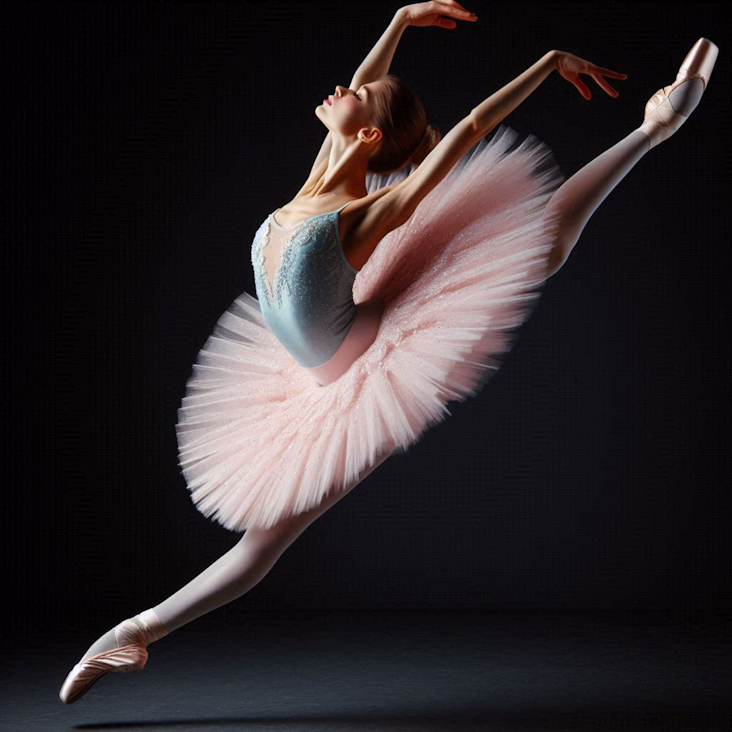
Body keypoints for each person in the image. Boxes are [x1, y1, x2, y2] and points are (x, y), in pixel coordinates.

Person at [59, 0, 719, 705]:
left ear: (368, 131)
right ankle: (132, 634)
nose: (342, 88)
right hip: (306, 379)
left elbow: (466, 131)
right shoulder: (319, 179)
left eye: (356, 96)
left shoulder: (368, 212)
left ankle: (653, 130)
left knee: (538, 247)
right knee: (260, 541)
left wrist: (547, 66)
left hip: (372, 370)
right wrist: (399, 22)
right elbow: (364, 85)